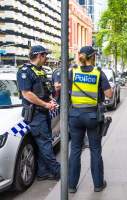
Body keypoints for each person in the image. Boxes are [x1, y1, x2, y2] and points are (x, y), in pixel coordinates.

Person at [68, 46, 113, 193]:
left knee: (75, 149)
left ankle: (71, 186)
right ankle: (98, 184)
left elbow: (66, 90)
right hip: (92, 116)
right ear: (93, 57)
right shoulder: (98, 72)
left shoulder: (72, 71)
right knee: (95, 150)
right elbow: (110, 94)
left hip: (75, 115)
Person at [16, 45, 60, 181]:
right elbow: (27, 94)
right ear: (39, 55)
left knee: (43, 144)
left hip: (44, 112)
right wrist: (46, 104)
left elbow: (43, 92)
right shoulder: (25, 71)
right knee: (45, 144)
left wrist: (51, 100)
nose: (46, 58)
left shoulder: (40, 71)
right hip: (36, 114)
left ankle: (42, 173)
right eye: (45, 55)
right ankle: (59, 171)